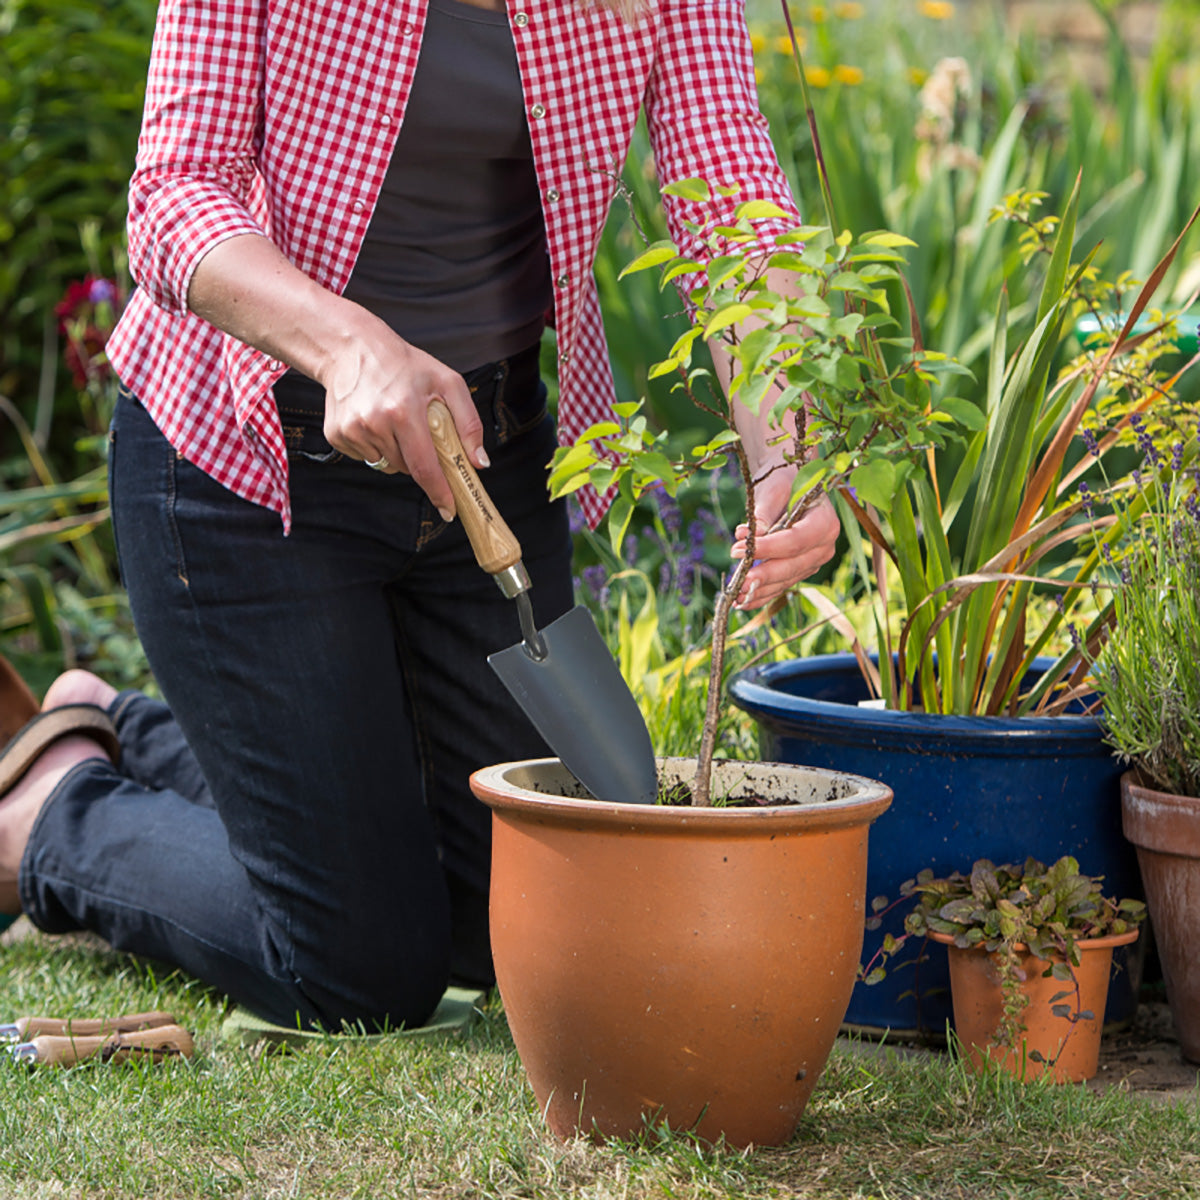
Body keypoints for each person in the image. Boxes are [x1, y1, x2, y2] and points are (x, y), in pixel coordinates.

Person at [0, 0, 839, 1030]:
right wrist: (349, 347)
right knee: (359, 967)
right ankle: (51, 813)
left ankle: (126, 726)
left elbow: (730, 185)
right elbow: (176, 195)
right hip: (248, 463)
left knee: (535, 896)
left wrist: (788, 449)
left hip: (485, 463)